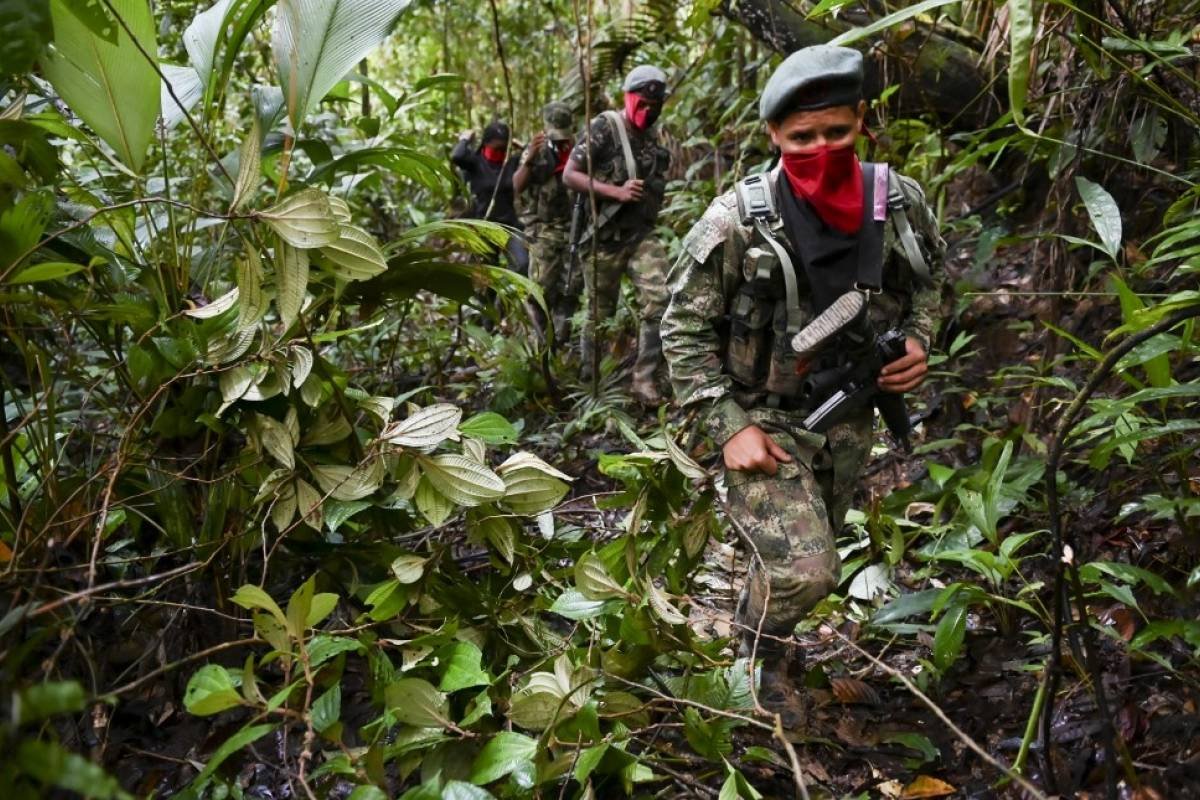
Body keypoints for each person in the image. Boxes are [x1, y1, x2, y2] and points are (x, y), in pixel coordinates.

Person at [660, 45, 945, 727]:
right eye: (801, 138)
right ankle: (753, 653)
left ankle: (777, 651)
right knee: (806, 571)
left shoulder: (898, 202)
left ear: (862, 122)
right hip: (761, 411)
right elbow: (680, 330)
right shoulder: (735, 221)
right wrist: (728, 426)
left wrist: (918, 341)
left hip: (849, 413)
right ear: (773, 138)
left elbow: (931, 283)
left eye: (836, 133)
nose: (821, 149)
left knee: (815, 554)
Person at [562, 65, 672, 406]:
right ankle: (592, 383)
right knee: (599, 315)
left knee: (660, 299)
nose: (649, 110)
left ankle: (644, 379)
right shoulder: (604, 128)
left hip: (640, 236)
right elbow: (570, 174)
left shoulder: (653, 138)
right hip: (604, 239)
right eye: (643, 103)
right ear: (629, 97)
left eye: (655, 104)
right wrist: (615, 192)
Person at [514, 101, 578, 343]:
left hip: (575, 231)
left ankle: (560, 342)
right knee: (539, 292)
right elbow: (516, 186)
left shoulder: (579, 148)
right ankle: (538, 344)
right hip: (545, 231)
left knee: (570, 289)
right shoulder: (538, 152)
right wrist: (529, 159)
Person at [451, 120, 529, 273]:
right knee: (486, 274)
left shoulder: (512, 162)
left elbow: (534, 157)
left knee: (522, 264)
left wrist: (519, 144)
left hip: (510, 226)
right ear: (486, 143)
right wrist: (465, 139)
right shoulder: (475, 162)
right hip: (483, 226)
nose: (500, 151)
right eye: (496, 147)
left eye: (503, 147)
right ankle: (491, 297)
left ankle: (509, 296)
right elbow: (457, 156)